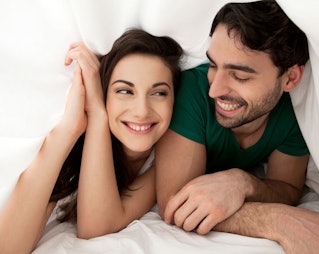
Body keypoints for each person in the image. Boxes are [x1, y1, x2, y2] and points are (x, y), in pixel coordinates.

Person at [155, 1, 319, 253]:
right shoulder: (193, 92)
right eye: (213, 65)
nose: (215, 89)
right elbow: (175, 204)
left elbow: (288, 188)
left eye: (240, 76)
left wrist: (243, 182)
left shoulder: (295, 112)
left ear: (290, 78)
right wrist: (278, 221)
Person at [0, 28, 183, 253]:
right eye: (125, 91)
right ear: (103, 93)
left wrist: (97, 114)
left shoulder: (169, 157)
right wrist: (69, 129)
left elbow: (95, 227)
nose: (141, 111)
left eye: (158, 93)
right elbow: (7, 247)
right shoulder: (75, 153)